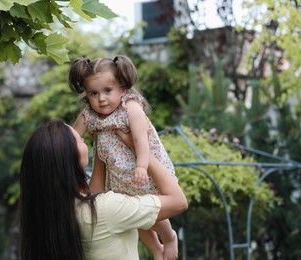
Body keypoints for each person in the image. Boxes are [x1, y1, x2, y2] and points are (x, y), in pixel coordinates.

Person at [18, 119, 188, 260]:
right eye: (81, 140)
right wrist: (139, 150)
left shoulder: (52, 212)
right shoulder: (107, 209)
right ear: (71, 157)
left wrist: (103, 140)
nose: (84, 140)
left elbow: (94, 193)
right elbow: (178, 202)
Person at [69, 55, 180, 260]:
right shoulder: (90, 114)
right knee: (136, 218)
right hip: (119, 179)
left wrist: (141, 166)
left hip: (142, 170)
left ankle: (170, 237)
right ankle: (156, 248)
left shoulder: (130, 108)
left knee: (151, 211)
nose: (101, 98)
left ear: (122, 88)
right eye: (94, 93)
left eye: (107, 91)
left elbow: (141, 142)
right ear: (87, 95)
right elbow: (72, 138)